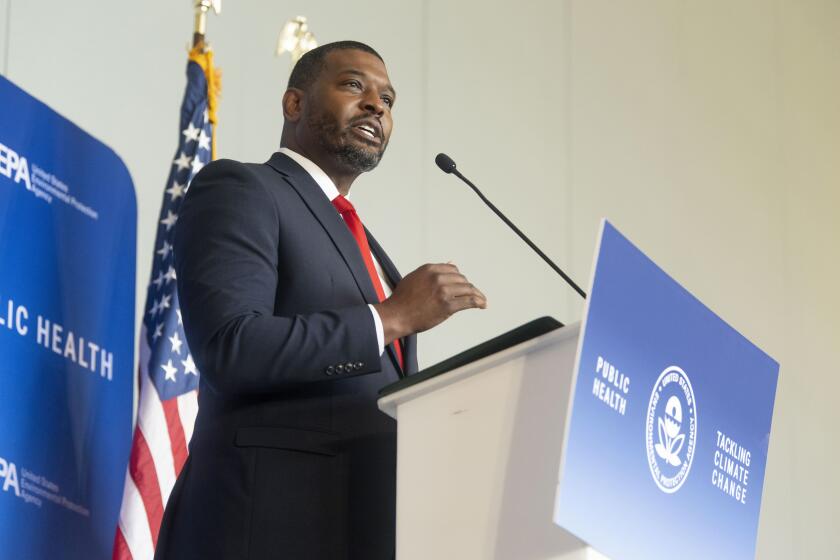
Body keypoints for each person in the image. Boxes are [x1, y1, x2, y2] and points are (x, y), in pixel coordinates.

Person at [154, 40, 486, 559]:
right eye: (355, 85)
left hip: (359, 527)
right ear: (295, 105)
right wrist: (391, 317)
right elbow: (231, 346)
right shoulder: (243, 189)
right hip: (263, 526)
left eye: (389, 99)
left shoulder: (366, 246)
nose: (377, 104)